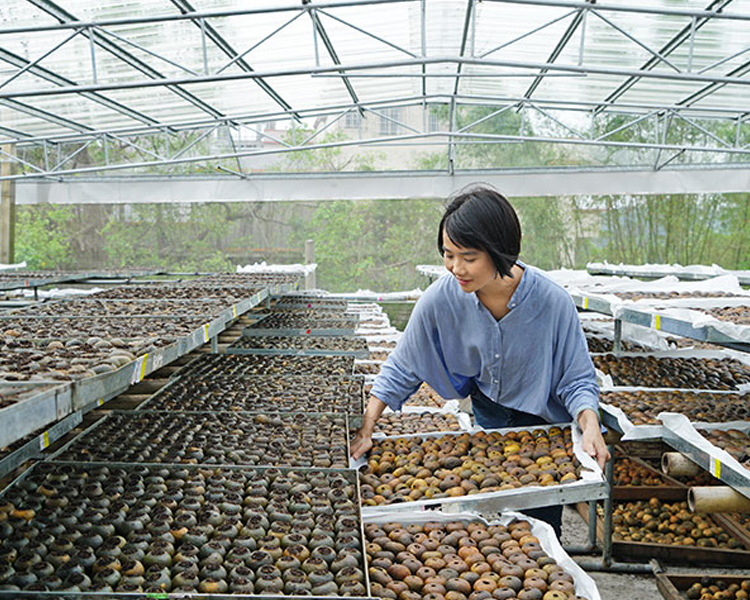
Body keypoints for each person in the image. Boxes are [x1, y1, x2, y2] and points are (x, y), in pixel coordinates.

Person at [350, 185, 610, 536]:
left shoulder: (552, 302)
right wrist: (367, 428)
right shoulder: (441, 299)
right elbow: (403, 365)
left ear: (499, 250)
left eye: (468, 257)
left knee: (540, 527)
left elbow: (577, 378)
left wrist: (590, 424)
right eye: (448, 254)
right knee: (491, 523)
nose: (456, 267)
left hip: (545, 427)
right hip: (487, 414)